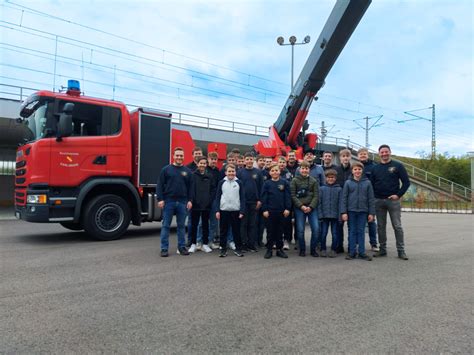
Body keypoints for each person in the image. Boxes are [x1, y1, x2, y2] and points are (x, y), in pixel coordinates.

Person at [370, 145, 410, 260]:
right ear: (379, 154)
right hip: (378, 201)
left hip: (393, 202)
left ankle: (401, 251)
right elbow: (371, 185)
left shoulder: (398, 166)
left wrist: (398, 195)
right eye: (382, 152)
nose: (384, 154)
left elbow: (406, 183)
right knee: (381, 227)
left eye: (386, 152)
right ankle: (382, 250)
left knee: (397, 226)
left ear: (390, 152)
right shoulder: (375, 168)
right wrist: (373, 198)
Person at [156, 147, 193, 257]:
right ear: (173, 156)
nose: (179, 157)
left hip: (182, 202)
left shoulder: (187, 172)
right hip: (169, 201)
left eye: (181, 155)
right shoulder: (166, 170)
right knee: (166, 226)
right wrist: (160, 199)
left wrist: (190, 200)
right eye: (177, 155)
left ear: (183, 156)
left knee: (181, 226)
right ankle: (164, 249)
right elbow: (159, 185)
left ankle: (181, 247)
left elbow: (191, 188)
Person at [340, 162, 375, 261]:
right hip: (351, 211)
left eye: (359, 169)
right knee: (352, 231)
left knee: (361, 231)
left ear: (362, 170)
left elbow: (371, 199)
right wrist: (344, 212)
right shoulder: (348, 183)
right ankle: (352, 252)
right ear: (352, 171)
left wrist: (371, 213)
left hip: (363, 211)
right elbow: (344, 198)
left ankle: (362, 252)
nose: (357, 171)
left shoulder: (367, 183)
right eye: (355, 169)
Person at [261, 163, 291, 259]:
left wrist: (287, 208)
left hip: (281, 212)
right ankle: (269, 249)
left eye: (276, 170)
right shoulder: (267, 184)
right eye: (272, 170)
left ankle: (279, 250)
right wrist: (264, 209)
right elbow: (264, 197)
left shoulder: (284, 182)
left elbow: (288, 197)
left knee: (280, 232)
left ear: (280, 171)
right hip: (269, 212)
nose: (275, 172)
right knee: (270, 232)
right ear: (269, 172)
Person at [215, 164, 245, 257]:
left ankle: (238, 249)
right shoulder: (221, 182)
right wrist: (217, 210)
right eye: (229, 171)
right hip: (224, 210)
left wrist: (242, 211)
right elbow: (218, 197)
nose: (231, 173)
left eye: (233, 171)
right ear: (225, 173)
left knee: (236, 231)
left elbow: (243, 197)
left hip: (236, 210)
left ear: (235, 172)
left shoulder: (239, 182)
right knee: (223, 231)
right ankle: (223, 249)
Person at [290, 161, 319, 257]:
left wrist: (310, 207)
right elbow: (293, 196)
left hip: (311, 207)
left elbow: (316, 196)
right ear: (299, 169)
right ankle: (302, 249)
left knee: (316, 228)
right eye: (303, 168)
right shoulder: (294, 180)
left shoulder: (313, 181)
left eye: (306, 168)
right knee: (300, 229)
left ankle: (313, 249)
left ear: (309, 170)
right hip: (299, 208)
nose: (304, 170)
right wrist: (301, 206)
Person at [237, 152, 263, 252]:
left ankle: (251, 244)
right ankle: (243, 244)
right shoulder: (240, 172)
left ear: (253, 160)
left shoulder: (258, 172)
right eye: (247, 159)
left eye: (250, 159)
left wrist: (260, 200)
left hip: (254, 202)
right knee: (243, 224)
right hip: (243, 203)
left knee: (252, 224)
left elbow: (262, 187)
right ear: (244, 160)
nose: (249, 161)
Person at [189, 157, 215, 253]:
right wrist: (192, 200)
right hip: (195, 204)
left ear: (206, 164)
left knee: (205, 225)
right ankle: (193, 244)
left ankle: (205, 244)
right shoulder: (193, 175)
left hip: (206, 205)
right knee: (194, 225)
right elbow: (191, 189)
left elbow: (213, 189)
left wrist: (210, 200)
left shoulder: (209, 176)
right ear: (197, 164)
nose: (202, 165)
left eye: (204, 163)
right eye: (201, 163)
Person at [357, 147, 379, 251]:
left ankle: (373, 244)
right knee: (358, 223)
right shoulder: (355, 166)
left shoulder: (374, 167)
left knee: (371, 222)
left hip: (370, 198)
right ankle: (357, 243)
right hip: (357, 199)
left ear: (368, 155)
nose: (362, 156)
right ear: (358, 156)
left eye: (364, 154)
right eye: (360, 154)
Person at [318, 169, 342, 258]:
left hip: (335, 216)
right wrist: (320, 215)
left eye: (332, 177)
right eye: (328, 177)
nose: (330, 179)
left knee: (335, 234)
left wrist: (340, 216)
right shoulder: (321, 189)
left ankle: (333, 249)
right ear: (326, 178)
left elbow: (341, 204)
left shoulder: (339, 189)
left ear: (335, 178)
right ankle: (323, 249)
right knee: (323, 233)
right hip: (324, 216)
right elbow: (319, 203)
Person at [334, 148, 352, 253]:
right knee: (339, 225)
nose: (345, 158)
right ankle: (339, 246)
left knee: (351, 226)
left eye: (347, 156)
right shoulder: (336, 170)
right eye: (343, 156)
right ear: (340, 158)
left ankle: (351, 247)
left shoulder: (353, 169)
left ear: (350, 157)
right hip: (339, 202)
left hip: (351, 201)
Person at [278, 156, 293, 250]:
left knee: (287, 223)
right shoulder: (273, 173)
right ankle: (277, 240)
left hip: (286, 202)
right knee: (277, 223)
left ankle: (286, 240)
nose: (282, 164)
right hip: (276, 202)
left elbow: (290, 190)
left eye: (283, 162)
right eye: (280, 162)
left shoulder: (289, 174)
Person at [206, 151, 220, 249]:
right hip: (204, 200)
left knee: (213, 222)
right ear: (208, 159)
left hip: (214, 200)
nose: (213, 161)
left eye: (215, 159)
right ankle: (200, 242)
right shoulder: (204, 170)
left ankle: (210, 241)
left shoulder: (218, 171)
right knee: (202, 223)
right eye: (212, 159)